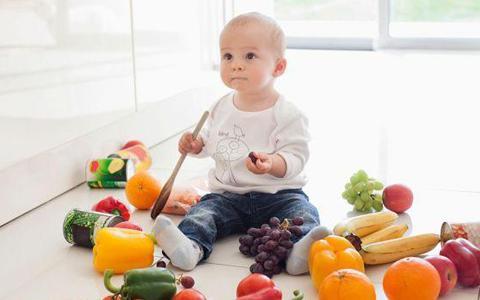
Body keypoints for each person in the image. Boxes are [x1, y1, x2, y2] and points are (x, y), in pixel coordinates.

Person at [152, 12, 330, 275]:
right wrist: (196, 145)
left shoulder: (288, 114)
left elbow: (296, 156)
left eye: (249, 56)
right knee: (203, 214)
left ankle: (297, 253)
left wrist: (272, 163)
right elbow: (211, 143)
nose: (236, 65)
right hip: (227, 196)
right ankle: (190, 247)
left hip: (278, 196)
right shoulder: (221, 107)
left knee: (302, 213)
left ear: (278, 67)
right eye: (228, 56)